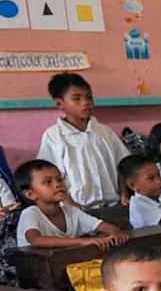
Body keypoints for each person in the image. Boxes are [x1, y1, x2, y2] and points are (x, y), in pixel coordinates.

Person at [37, 73, 126, 207]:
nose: (85, 102)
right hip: (75, 209)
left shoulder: (105, 132)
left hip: (113, 205)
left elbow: (123, 165)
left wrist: (123, 194)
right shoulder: (53, 136)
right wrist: (69, 203)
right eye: (76, 98)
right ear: (59, 103)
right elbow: (47, 176)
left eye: (89, 97)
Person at [14, 160, 125, 250]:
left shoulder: (72, 212)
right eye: (48, 182)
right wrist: (81, 241)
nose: (58, 185)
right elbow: (35, 240)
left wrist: (114, 233)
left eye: (59, 179)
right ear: (30, 194)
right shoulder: (30, 213)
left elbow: (105, 227)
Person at [120, 153, 161, 230]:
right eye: (151, 178)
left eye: (158, 175)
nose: (159, 181)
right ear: (133, 185)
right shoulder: (138, 204)